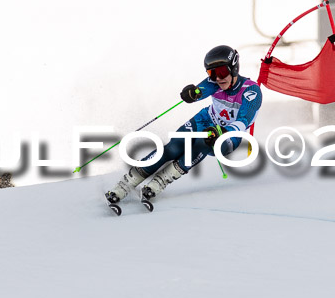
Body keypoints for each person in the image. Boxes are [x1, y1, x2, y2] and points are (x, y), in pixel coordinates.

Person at [105, 45, 262, 204]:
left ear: (234, 68)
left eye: (221, 72)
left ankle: (160, 182)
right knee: (173, 147)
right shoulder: (214, 82)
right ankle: (125, 184)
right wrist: (192, 93)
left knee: (202, 143)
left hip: (229, 136)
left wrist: (222, 131)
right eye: (211, 73)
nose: (218, 78)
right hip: (205, 119)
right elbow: (201, 90)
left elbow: (243, 122)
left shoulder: (251, 91)